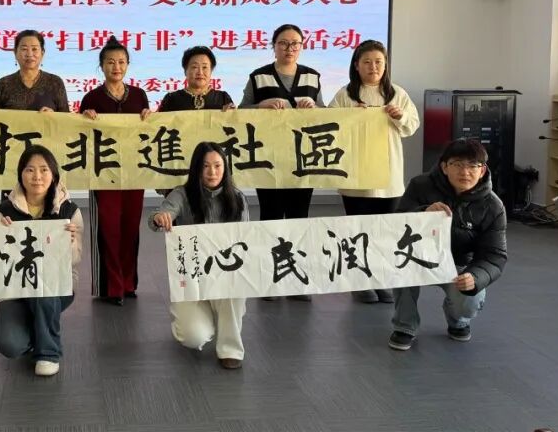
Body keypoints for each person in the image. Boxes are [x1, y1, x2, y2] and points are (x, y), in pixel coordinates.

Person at [388, 139, 507, 351]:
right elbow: (396, 225)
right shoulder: (420, 186)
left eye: (473, 166)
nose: (465, 172)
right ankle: (404, 325)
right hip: (417, 257)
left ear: (482, 170)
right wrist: (422, 214)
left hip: (458, 265)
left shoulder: (493, 206)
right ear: (444, 167)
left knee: (471, 297)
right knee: (400, 266)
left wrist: (475, 277)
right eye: (457, 164)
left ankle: (458, 320)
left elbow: (494, 256)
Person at [329, 39, 419, 304]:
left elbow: (412, 126)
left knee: (384, 231)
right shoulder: (345, 95)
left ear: (386, 65)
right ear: (356, 65)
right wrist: (350, 117)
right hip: (356, 176)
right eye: (367, 62)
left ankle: (381, 279)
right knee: (357, 230)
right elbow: (329, 125)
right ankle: (360, 282)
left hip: (388, 175)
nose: (373, 67)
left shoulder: (397, 94)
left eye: (379, 62)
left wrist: (399, 116)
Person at [238, 24, 322, 302]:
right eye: (283, 43)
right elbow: (241, 112)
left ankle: (296, 280)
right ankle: (269, 280)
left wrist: (315, 108)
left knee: (299, 217)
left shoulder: (312, 76)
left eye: (295, 43)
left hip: (303, 160)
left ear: (302, 46)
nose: (289, 48)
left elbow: (325, 115)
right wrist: (260, 107)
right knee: (271, 217)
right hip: (268, 160)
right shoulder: (259, 76)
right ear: (273, 46)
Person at [149, 142, 249, 370]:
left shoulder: (238, 198)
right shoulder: (182, 194)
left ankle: (230, 349)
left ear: (225, 168)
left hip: (224, 277)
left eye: (217, 166)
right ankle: (202, 318)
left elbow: (246, 240)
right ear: (196, 168)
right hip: (192, 278)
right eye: (205, 166)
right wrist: (159, 218)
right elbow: (159, 215)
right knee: (193, 337)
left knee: (235, 290)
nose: (212, 172)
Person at [0, 145, 83, 377]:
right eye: (30, 170)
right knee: (10, 345)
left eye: (44, 170)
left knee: (44, 288)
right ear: (21, 174)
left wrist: (71, 242)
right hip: (16, 290)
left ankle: (48, 353)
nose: (37, 176)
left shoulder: (69, 211)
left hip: (56, 286)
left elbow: (75, 261)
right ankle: (38, 327)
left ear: (53, 175)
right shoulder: (3, 211)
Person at [80, 37, 151, 306]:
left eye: (121, 61)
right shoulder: (92, 98)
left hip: (134, 172)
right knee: (108, 230)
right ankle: (112, 287)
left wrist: (148, 116)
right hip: (104, 174)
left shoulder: (139, 95)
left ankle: (128, 282)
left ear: (128, 64)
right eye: (110, 62)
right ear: (101, 66)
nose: (116, 67)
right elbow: (80, 134)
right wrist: (84, 118)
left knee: (131, 228)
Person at [0, 29, 69, 112]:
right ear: (15, 53)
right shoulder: (3, 84)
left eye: (34, 49)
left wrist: (54, 116)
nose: (29, 54)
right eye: (24, 49)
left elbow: (66, 118)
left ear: (42, 53)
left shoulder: (55, 82)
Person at [158, 46, 235, 112]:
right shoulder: (171, 99)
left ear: (211, 71)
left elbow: (234, 122)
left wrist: (233, 113)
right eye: (194, 67)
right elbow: (158, 122)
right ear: (185, 71)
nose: (200, 72)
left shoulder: (222, 98)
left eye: (204, 67)